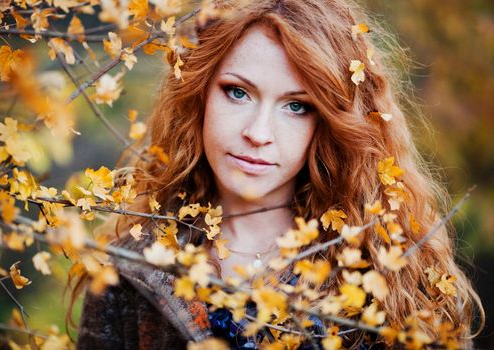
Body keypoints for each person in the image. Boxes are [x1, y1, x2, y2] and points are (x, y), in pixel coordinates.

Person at [73, 0, 484, 348]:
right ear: (199, 95)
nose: (257, 133)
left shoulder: (386, 277)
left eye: (296, 106)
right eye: (237, 92)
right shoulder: (131, 269)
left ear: (330, 122)